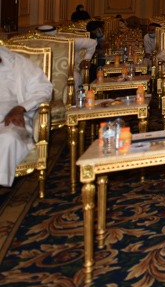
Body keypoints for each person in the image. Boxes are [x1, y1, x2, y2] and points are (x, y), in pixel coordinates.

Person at [0, 46, 52, 186]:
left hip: (10, 119)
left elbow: (43, 90)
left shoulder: (18, 63)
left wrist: (21, 108)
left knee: (8, 138)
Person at [38, 24, 95, 90]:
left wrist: (86, 59)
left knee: (74, 77)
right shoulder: (34, 44)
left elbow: (92, 43)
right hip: (41, 72)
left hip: (67, 70)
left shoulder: (64, 41)